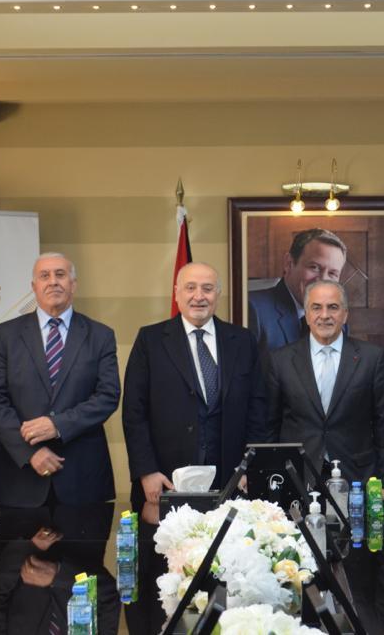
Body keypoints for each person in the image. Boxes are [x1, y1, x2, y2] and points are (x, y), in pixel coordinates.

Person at [122, 261, 269, 634]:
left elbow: (258, 409)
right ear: (176, 293)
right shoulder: (151, 340)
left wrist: (250, 467)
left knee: (228, 587)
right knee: (165, 590)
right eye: (190, 288)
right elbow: (134, 412)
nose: (198, 296)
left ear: (218, 294)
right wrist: (146, 472)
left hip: (232, 487)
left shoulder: (242, 341)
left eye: (207, 288)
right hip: (166, 487)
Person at [266, 278, 384, 634]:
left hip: (357, 485)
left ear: (345, 314)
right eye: (317, 307)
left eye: (333, 307)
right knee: (299, 578)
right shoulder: (281, 360)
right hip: (298, 484)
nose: (325, 315)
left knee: (359, 580)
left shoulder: (370, 358)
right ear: (306, 314)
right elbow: (269, 427)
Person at [0, 252, 120, 508]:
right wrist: (29, 452)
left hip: (82, 477)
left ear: (73, 284)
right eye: (44, 276)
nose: (53, 281)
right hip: (20, 477)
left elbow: (107, 397)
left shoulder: (101, 335)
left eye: (60, 275)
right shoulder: (5, 335)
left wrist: (57, 425)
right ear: (34, 286)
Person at [248, 228, 347, 353]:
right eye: (314, 267)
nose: (323, 280)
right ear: (289, 263)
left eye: (332, 273)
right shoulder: (252, 309)